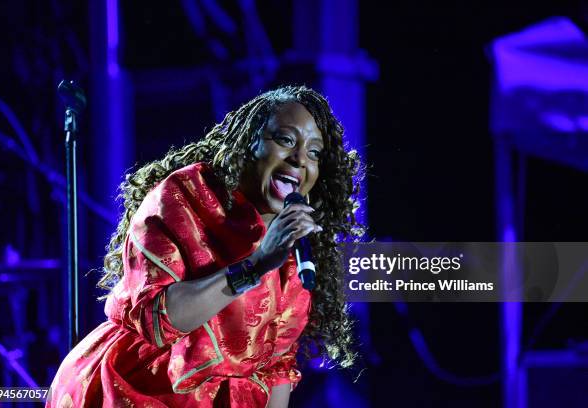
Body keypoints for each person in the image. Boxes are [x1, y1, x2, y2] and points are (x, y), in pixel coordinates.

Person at [47, 85, 363, 408]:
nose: (299, 160)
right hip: (138, 389)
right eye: (285, 140)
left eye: (314, 153)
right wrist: (256, 264)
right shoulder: (184, 198)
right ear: (248, 142)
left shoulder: (297, 250)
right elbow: (158, 320)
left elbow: (275, 369)